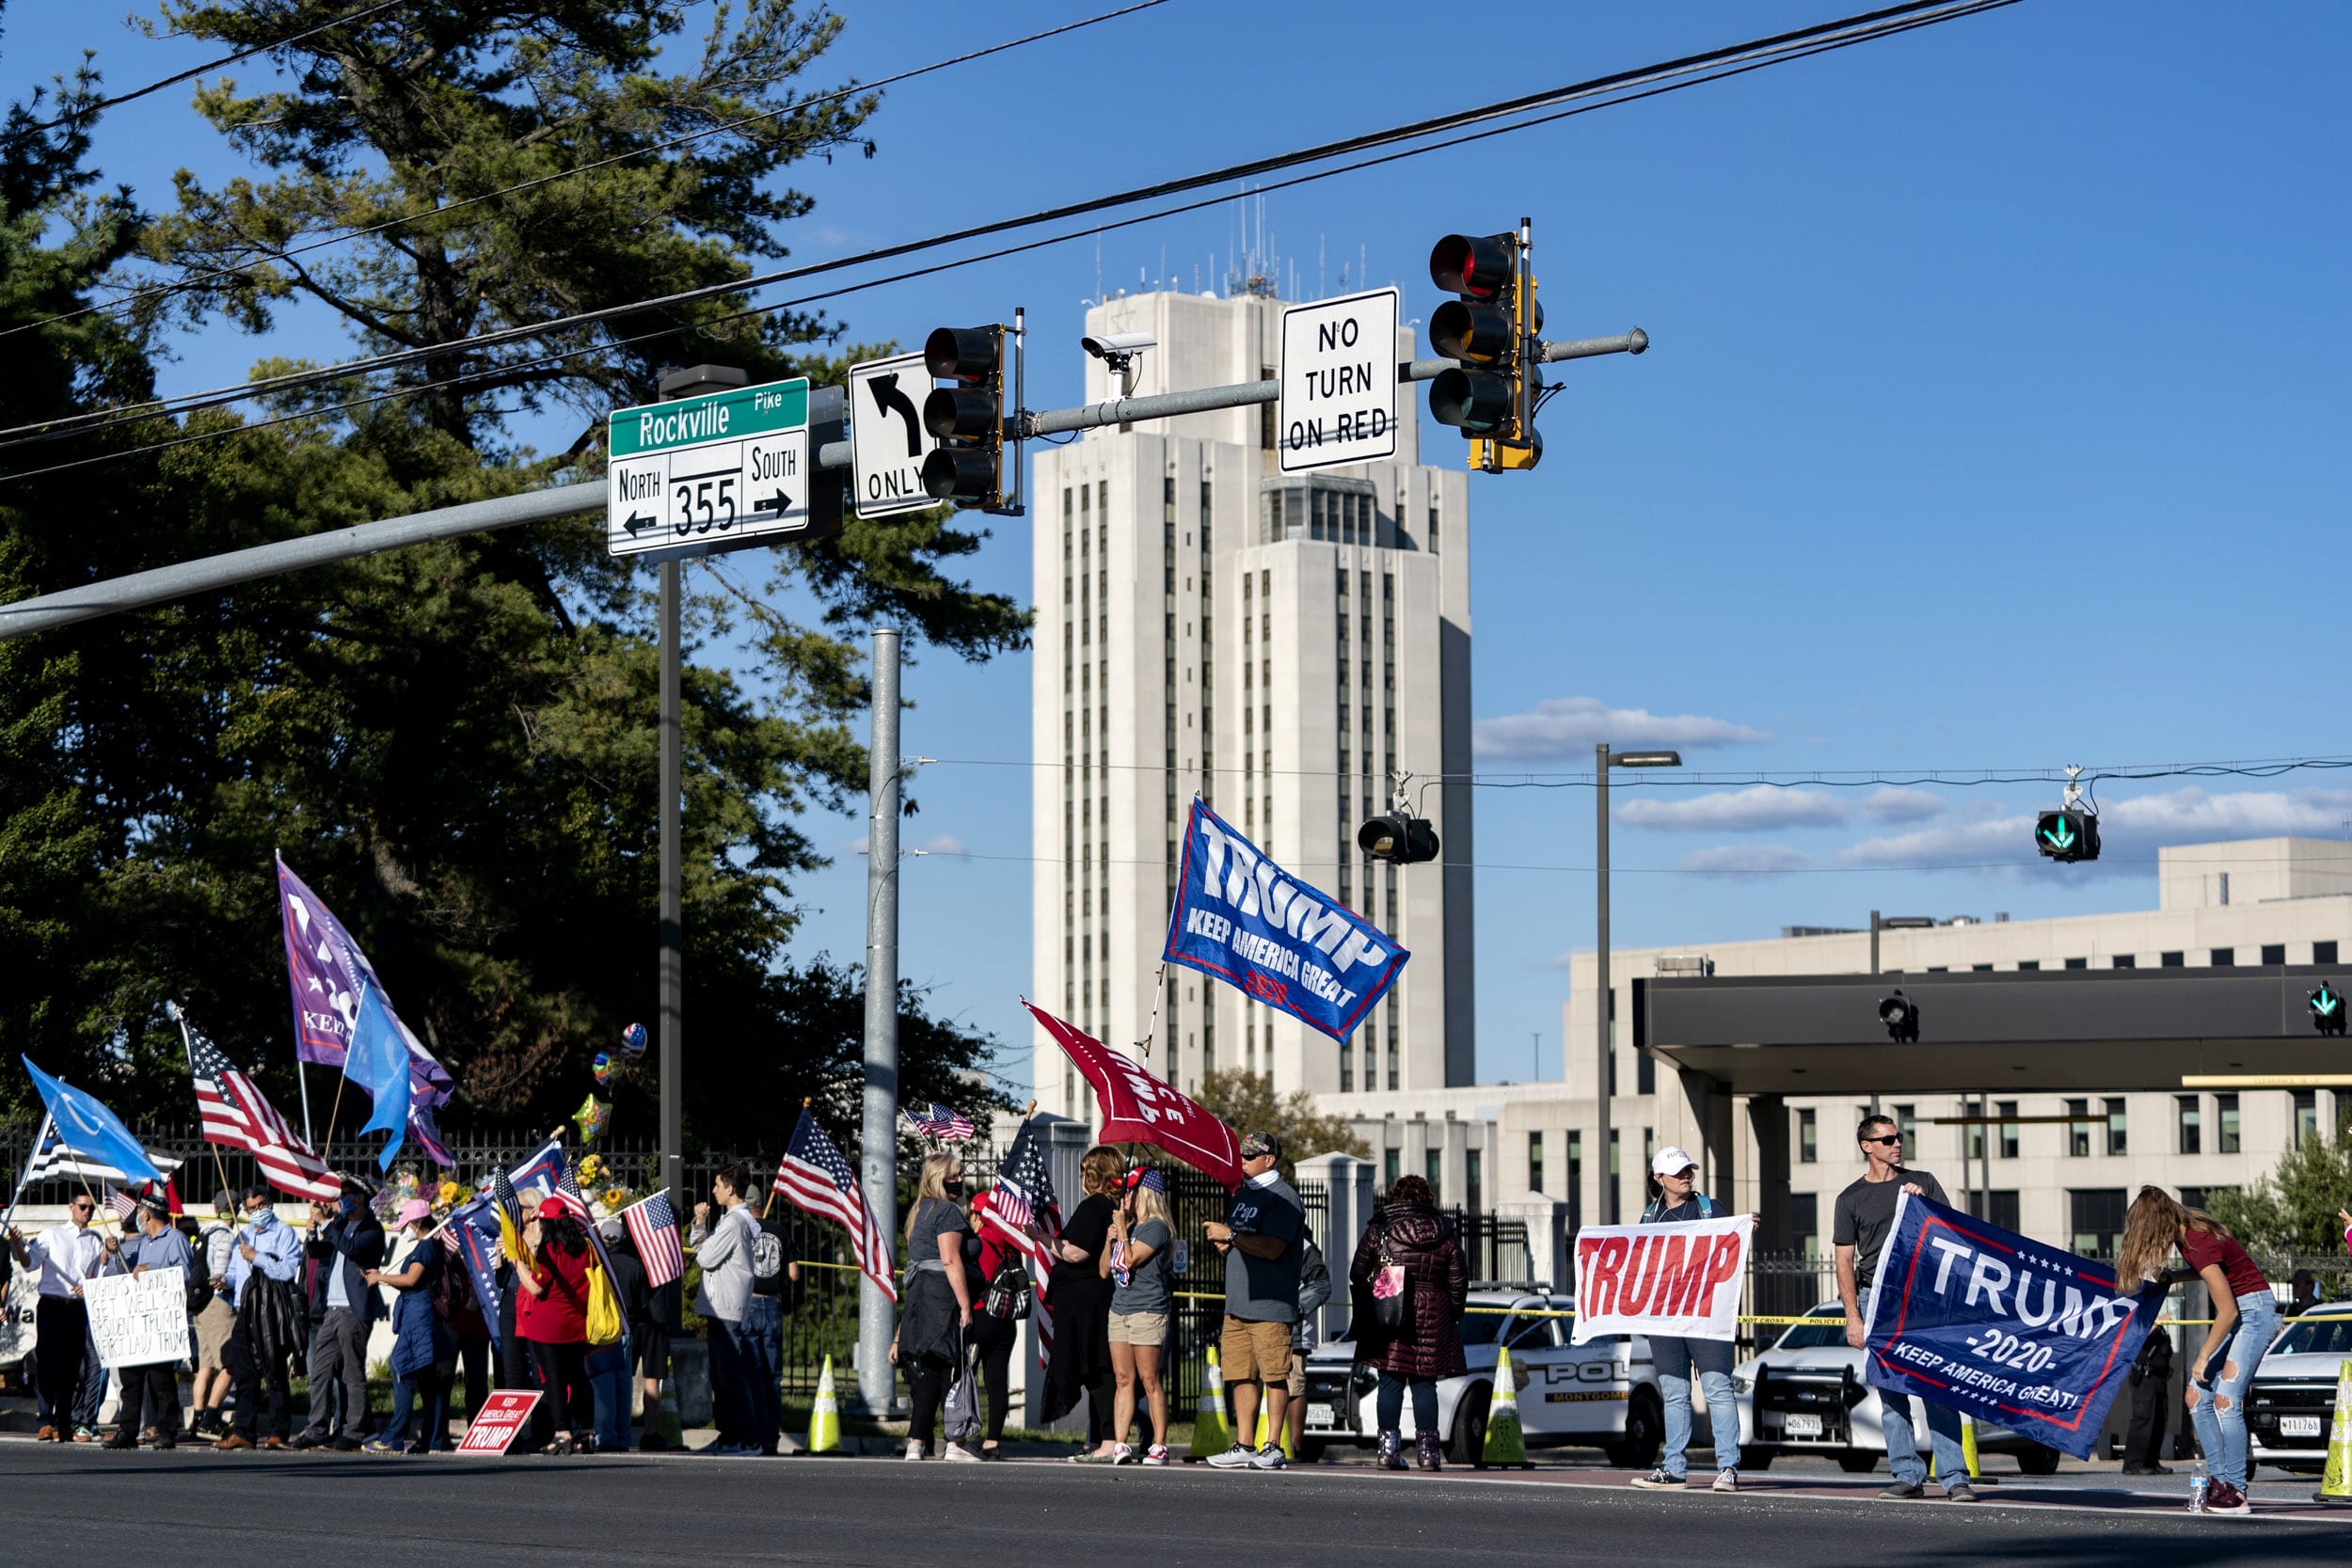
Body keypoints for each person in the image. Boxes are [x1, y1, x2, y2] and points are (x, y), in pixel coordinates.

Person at [1833, 1114, 1975, 1502]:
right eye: (1889, 1138)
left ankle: (1954, 1476)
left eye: (1900, 1136)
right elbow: (1844, 1261)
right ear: (1867, 1146)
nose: (1898, 1143)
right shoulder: (1850, 1199)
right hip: (1876, 1298)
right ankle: (1907, 1474)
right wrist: (1853, 1318)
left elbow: (1955, 1232)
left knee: (1937, 1388)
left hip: (1922, 1298)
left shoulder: (1923, 1182)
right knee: (1891, 1392)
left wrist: (1925, 1205)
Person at [2117, 1186, 2279, 1516]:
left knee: (2225, 1400)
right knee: (2196, 1397)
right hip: (2242, 1312)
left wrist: (2203, 1356)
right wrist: (2177, 1276)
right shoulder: (2188, 1236)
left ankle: (2236, 1491)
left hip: (2254, 1314)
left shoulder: (2198, 1241)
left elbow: (2228, 1311)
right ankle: (2219, 1483)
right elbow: (2215, 1271)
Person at [1629, 1148, 1752, 1493]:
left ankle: (1727, 1467)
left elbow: (1730, 1251)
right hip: (1665, 1320)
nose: (1686, 1175)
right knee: (1675, 1394)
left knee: (1717, 1390)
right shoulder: (1649, 1218)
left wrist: (1743, 1229)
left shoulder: (1710, 1209)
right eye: (1678, 1171)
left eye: (1688, 1170)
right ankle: (1674, 1468)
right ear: (1659, 1178)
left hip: (1706, 1316)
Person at [1345, 1174, 1467, 1472]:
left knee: (1390, 1380)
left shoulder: (1381, 1229)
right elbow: (1458, 1280)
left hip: (1390, 1306)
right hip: (1433, 1310)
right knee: (1426, 1383)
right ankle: (1429, 1455)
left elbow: (1356, 1271)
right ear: (1429, 1199)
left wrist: (1378, 1286)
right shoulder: (1446, 1231)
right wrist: (1452, 1312)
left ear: (1394, 1198)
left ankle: (1387, 1452)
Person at [1204, 1131, 1304, 1471]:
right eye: (1242, 1155)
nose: (1242, 1160)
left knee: (1274, 1374)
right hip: (1238, 1304)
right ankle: (1245, 1444)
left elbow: (1273, 1247)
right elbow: (1246, 1241)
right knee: (1240, 1374)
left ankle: (1273, 1445)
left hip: (1271, 1305)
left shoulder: (1284, 1198)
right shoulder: (1243, 1195)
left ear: (1269, 1160)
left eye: (1249, 1156)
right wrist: (1229, 1244)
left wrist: (1231, 1236)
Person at [893, 1153, 980, 1461]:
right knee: (953, 1369)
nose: (958, 1180)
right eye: (952, 1176)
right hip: (943, 1297)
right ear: (937, 1180)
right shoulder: (946, 1211)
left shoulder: (921, 1212)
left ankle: (917, 1442)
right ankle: (955, 1442)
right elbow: (950, 1259)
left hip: (921, 1297)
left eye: (959, 1174)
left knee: (930, 1372)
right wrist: (965, 1304)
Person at [293, 1180, 386, 1449]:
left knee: (352, 1374)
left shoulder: (372, 1229)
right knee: (320, 1371)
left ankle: (354, 1431)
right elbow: (320, 1252)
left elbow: (352, 1249)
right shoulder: (341, 1226)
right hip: (331, 1309)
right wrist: (312, 1234)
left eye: (345, 1195)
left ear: (359, 1198)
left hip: (353, 1310)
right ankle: (317, 1427)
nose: (339, 1199)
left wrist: (325, 1224)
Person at [6, 1190, 103, 1442]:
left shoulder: (95, 1241)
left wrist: (89, 1286)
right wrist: (17, 1243)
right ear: (71, 1207)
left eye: (91, 1208)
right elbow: (29, 1263)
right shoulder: (52, 1235)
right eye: (83, 1206)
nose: (87, 1212)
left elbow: (97, 1277)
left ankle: (64, 1421)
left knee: (72, 1367)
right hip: (52, 1304)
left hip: (78, 1307)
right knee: (48, 1363)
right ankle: (45, 1419)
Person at [101, 1196, 197, 1449]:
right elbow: (119, 1274)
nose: (138, 1216)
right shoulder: (142, 1243)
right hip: (137, 1321)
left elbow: (186, 1275)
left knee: (161, 1380)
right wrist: (114, 1253)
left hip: (161, 1321)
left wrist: (152, 1268)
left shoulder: (176, 1240)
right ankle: (128, 1431)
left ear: (147, 1215)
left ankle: (167, 1431)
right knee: (130, 1380)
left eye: (140, 1211)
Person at [1045, 1145, 1121, 1460]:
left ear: (1094, 1173)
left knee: (1095, 1367)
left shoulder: (1094, 1207)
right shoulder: (1107, 1206)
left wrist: (1041, 1237)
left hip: (1085, 1301)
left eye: (1084, 1170)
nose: (1080, 1177)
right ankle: (1103, 1435)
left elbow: (1076, 1252)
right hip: (1087, 1298)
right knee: (1096, 1368)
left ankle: (1110, 1438)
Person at [216, 1185, 305, 1450]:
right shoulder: (241, 1236)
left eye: (261, 1206)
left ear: (270, 1204)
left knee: (275, 1370)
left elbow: (288, 1270)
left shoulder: (284, 1233)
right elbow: (234, 1272)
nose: (257, 1212)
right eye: (251, 1208)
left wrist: (258, 1258)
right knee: (244, 1372)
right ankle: (244, 1430)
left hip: (270, 1312)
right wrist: (224, 1281)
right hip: (245, 1310)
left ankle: (279, 1430)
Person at [365, 1198, 453, 1453]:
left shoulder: (426, 1247)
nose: (403, 1229)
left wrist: (380, 1277)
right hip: (417, 1316)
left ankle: (393, 1437)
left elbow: (412, 1278)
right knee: (428, 1382)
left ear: (416, 1223)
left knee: (401, 1370)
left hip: (419, 1319)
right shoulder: (424, 1247)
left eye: (406, 1224)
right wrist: (379, 1277)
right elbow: (408, 1280)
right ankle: (432, 1440)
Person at [691, 1162, 765, 1455]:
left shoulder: (734, 1222)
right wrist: (699, 1226)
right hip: (722, 1306)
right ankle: (730, 1434)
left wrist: (701, 1234)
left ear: (730, 1188)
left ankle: (745, 1437)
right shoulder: (734, 1220)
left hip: (725, 1307)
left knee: (730, 1376)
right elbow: (704, 1249)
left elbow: (706, 1257)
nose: (714, 1191)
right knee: (722, 1377)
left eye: (718, 1185)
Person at [515, 1189, 596, 1454]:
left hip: (547, 1325)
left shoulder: (549, 1251)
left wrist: (517, 1262)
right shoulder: (584, 1247)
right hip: (576, 1323)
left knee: (554, 1380)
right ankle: (586, 1431)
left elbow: (536, 1288)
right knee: (579, 1378)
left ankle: (562, 1432)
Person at [1104, 1165, 1175, 1465]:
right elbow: (1104, 1269)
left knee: (1149, 1379)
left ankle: (1159, 1444)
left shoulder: (1156, 1228)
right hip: (1120, 1309)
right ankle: (1120, 1442)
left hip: (1148, 1310)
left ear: (1143, 1194)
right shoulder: (1130, 1228)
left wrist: (1121, 1231)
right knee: (1123, 1379)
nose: (1124, 1196)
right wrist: (1110, 1238)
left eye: (1129, 1190)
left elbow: (1131, 1260)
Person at [965, 1180, 1025, 1460]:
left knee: (965, 1379)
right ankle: (993, 1440)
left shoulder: (980, 1244)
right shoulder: (1013, 1246)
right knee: (996, 1383)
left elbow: (974, 1282)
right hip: (1005, 1321)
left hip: (979, 1316)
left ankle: (960, 1435)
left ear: (979, 1215)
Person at [495, 1187, 553, 1453]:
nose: (513, 1214)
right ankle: (512, 1435)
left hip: (534, 1304)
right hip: (510, 1301)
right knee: (512, 1368)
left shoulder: (545, 1237)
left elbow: (543, 1278)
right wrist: (499, 1258)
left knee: (540, 1367)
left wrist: (524, 1254)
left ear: (532, 1212)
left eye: (518, 1209)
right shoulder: (511, 1234)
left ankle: (542, 1431)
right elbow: (500, 1281)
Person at [189, 1192, 240, 1438]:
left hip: (199, 1305)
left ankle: (197, 1420)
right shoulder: (224, 1236)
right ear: (236, 1209)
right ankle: (209, 1418)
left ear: (214, 1208)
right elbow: (219, 1273)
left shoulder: (203, 1233)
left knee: (206, 1364)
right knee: (231, 1363)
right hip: (218, 1303)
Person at [1284, 1226, 1332, 1463]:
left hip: (1296, 1330)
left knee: (1294, 1387)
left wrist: (1294, 1309)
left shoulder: (1304, 1248)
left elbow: (1322, 1286)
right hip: (1268, 1324)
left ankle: (1294, 1446)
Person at [2122, 1315, 2174, 1476]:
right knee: (2143, 1418)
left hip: (2159, 1377)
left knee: (2159, 1418)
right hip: (2145, 1376)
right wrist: (2155, 1322)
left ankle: (2152, 1461)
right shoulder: (2140, 1318)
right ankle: (2133, 1463)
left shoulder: (2160, 1328)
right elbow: (2137, 1337)